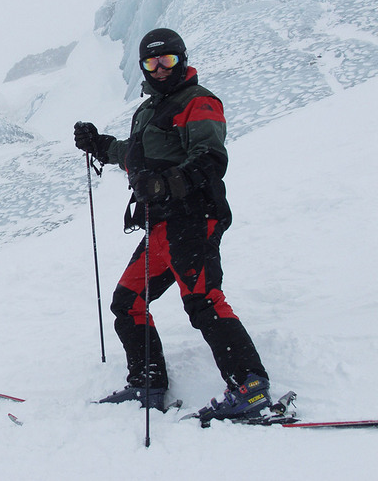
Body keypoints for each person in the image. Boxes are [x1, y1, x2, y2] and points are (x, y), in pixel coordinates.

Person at [74, 28, 271, 423]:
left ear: (182, 60)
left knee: (202, 300)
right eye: (152, 63)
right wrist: (98, 145)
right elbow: (134, 156)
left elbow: (211, 159)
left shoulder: (199, 102)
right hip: (160, 224)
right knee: (127, 303)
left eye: (168, 61)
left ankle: (250, 387)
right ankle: (148, 383)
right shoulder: (149, 110)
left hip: (194, 218)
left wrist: (166, 182)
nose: (160, 70)